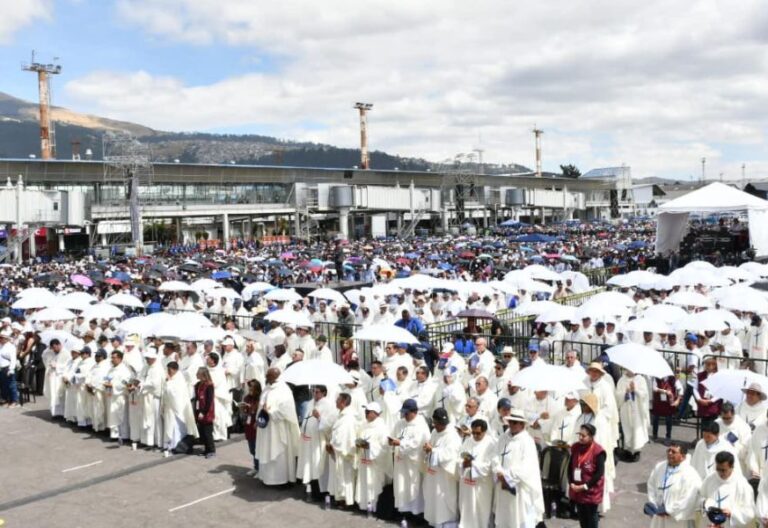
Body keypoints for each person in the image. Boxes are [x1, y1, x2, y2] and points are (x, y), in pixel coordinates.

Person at [493, 409, 545, 527]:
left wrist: (507, 476)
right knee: (504, 519)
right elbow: (495, 457)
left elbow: (527, 467)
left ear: (522, 424)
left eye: (515, 422)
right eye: (511, 422)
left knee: (519, 519)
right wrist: (498, 472)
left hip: (519, 488)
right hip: (502, 486)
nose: (512, 425)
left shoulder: (527, 441)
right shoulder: (503, 438)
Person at [255, 367, 301, 486]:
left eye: (268, 376)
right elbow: (261, 405)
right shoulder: (266, 388)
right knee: (267, 451)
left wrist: (271, 412)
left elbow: (287, 411)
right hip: (266, 427)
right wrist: (258, 417)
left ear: (274, 376)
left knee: (279, 455)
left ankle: (281, 480)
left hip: (278, 428)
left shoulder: (284, 390)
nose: (265, 378)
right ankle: (267, 479)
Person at [389, 398, 431, 520]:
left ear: (414, 412)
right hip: (400, 462)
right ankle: (403, 512)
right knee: (401, 485)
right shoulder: (400, 423)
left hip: (413, 463)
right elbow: (393, 435)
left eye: (407, 413)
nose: (404, 415)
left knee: (413, 487)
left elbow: (417, 444)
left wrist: (400, 443)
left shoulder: (420, 425)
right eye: (403, 413)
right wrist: (391, 442)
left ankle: (416, 514)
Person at [644, 443, 702, 528]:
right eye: (668, 450)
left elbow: (689, 498)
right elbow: (651, 485)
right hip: (659, 517)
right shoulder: (660, 467)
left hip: (677, 520)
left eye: (673, 452)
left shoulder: (690, 474)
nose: (669, 453)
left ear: (683, 456)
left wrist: (669, 511)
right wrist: (654, 504)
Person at [422, 407, 461, 528]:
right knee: (432, 497)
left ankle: (445, 524)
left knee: (443, 500)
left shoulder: (452, 436)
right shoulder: (434, 432)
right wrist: (427, 449)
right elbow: (430, 446)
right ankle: (433, 523)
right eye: (436, 423)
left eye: (440, 424)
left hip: (444, 476)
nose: (438, 426)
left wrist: (432, 451)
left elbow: (450, 455)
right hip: (433, 474)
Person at [699, 451, 755, 528]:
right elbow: (700, 497)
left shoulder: (742, 484)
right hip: (710, 524)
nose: (720, 473)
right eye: (718, 469)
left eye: (723, 470)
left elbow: (749, 512)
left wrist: (732, 513)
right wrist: (705, 504)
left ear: (732, 467)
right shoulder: (710, 479)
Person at [356, 402, 393, 517]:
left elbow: (385, 447)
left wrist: (370, 446)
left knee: (373, 484)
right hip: (364, 460)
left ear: (375, 413)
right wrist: (358, 443)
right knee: (363, 482)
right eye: (365, 411)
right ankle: (363, 505)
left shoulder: (382, 428)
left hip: (375, 463)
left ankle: (374, 507)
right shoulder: (364, 425)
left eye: (368, 411)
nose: (365, 413)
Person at [458, 418, 496, 528]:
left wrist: (473, 464)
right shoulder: (468, 440)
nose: (474, 435)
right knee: (467, 507)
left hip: (482, 485)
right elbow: (459, 457)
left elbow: (490, 466)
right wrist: (463, 463)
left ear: (484, 431)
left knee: (481, 509)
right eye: (473, 432)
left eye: (478, 433)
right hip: (467, 484)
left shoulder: (491, 444)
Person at [569, 424, 606, 528]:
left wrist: (585, 486)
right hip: (577, 489)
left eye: (583, 435)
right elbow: (570, 466)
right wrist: (571, 483)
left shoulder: (598, 451)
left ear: (591, 436)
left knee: (591, 517)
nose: (580, 437)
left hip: (591, 491)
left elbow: (599, 473)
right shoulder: (575, 447)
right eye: (579, 435)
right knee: (582, 516)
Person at [326, 392, 358, 508]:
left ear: (344, 402)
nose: (336, 402)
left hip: (344, 452)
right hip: (337, 451)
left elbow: (347, 437)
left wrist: (334, 446)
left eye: (338, 400)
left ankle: (347, 501)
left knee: (346, 477)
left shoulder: (348, 417)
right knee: (339, 476)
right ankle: (339, 498)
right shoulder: (341, 415)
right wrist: (331, 444)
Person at [162, 361, 198, 456]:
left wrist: (168, 383)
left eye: (169, 370)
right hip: (170, 407)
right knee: (170, 428)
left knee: (176, 429)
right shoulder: (171, 378)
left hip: (177, 409)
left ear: (174, 370)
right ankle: (171, 445)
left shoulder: (179, 379)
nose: (168, 372)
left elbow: (175, 395)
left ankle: (177, 446)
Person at [615, 369, 650, 461]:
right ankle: (628, 450)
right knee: (627, 429)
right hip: (626, 408)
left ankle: (637, 451)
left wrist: (636, 390)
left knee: (636, 430)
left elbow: (645, 395)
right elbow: (617, 395)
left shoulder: (640, 379)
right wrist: (625, 393)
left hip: (637, 409)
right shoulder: (621, 380)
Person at [651, 372, 682, 444]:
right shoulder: (656, 377)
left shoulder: (674, 379)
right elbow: (654, 388)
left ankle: (668, 437)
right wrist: (665, 391)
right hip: (658, 401)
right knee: (655, 418)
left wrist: (677, 400)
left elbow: (681, 389)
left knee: (669, 419)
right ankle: (654, 435)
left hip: (668, 403)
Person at [193, 367, 216, 459]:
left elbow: (209, 401)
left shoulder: (209, 385)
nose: (196, 375)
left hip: (206, 412)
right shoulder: (199, 384)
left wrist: (203, 412)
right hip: (199, 411)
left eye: (198, 374)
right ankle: (206, 450)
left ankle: (211, 450)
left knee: (208, 433)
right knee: (202, 432)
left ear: (203, 375)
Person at [241, 379, 262, 476]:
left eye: (252, 390)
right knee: (252, 449)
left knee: (258, 449)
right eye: (249, 389)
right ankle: (256, 467)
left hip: (256, 427)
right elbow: (244, 413)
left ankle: (260, 469)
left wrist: (253, 408)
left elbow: (262, 412)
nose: (250, 392)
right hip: (249, 427)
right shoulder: (247, 398)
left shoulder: (260, 399)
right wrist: (243, 408)